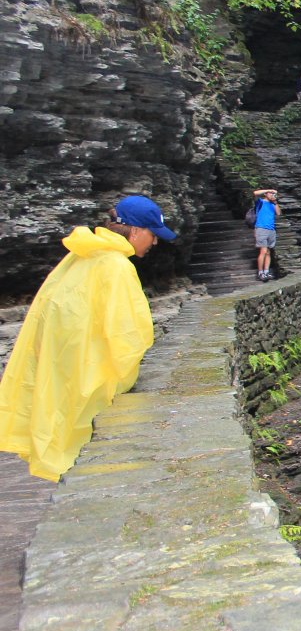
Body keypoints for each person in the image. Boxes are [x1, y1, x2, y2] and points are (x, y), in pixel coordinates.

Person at [0, 195, 177, 481]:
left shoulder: (82, 255)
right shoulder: (116, 266)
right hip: (89, 378)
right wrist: (119, 382)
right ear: (135, 231)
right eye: (152, 234)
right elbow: (128, 335)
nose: (155, 242)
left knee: (66, 443)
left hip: (64, 369)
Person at [252, 188, 279, 282]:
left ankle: (266, 272)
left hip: (271, 229)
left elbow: (278, 213)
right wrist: (269, 190)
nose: (272, 195)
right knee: (263, 251)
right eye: (270, 194)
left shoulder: (273, 204)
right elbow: (255, 193)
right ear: (266, 194)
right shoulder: (261, 202)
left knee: (268, 252)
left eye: (273, 194)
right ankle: (260, 273)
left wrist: (275, 202)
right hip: (261, 228)